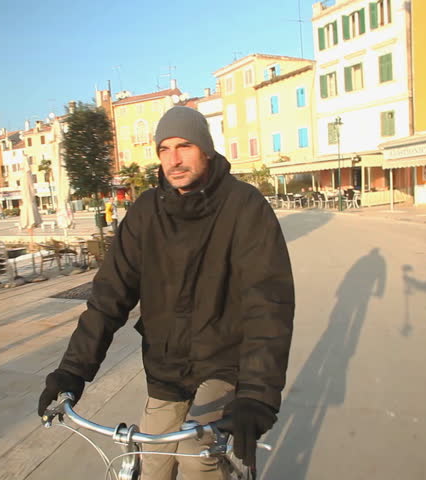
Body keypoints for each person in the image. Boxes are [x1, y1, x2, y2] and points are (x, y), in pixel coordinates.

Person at [38, 106, 295, 479]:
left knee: (196, 456)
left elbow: (268, 304)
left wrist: (257, 394)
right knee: (152, 462)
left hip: (224, 362)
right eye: (164, 149)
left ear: (206, 149)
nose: (174, 160)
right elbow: (108, 298)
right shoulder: (146, 212)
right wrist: (71, 371)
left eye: (184, 146)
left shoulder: (245, 206)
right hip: (166, 367)